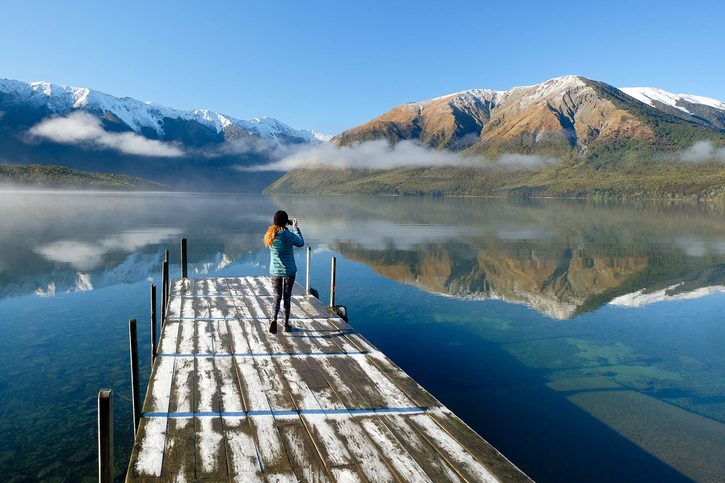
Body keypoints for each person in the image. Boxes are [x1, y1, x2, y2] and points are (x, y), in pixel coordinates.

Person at [263, 210, 304, 333]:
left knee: (276, 296)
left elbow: (276, 231)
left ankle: (273, 319)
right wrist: (296, 228)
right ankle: (286, 325)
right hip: (289, 272)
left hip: (275, 271)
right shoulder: (288, 235)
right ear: (286, 222)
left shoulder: (270, 235)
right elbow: (301, 243)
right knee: (286, 298)